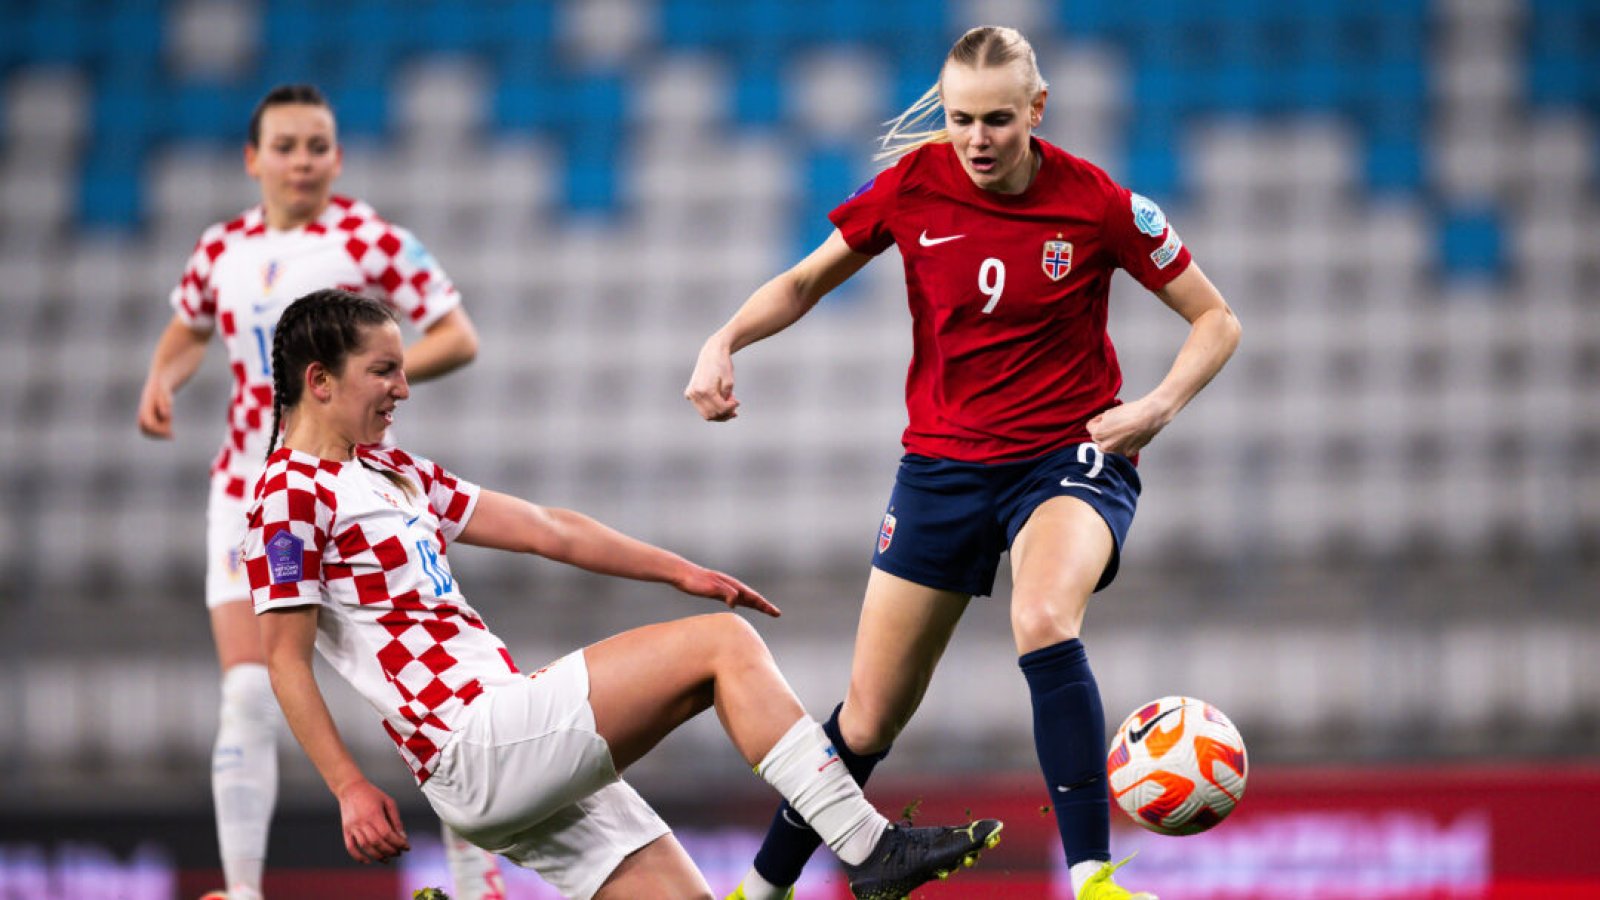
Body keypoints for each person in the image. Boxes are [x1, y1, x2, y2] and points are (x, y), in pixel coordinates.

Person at [687, 25, 1241, 900]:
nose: (976, 140)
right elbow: (802, 282)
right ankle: (762, 891)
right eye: (959, 119)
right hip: (942, 470)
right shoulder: (913, 186)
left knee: (1044, 615)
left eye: (996, 120)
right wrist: (723, 340)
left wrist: (1154, 409)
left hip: (1067, 455)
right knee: (867, 718)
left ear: (1037, 110)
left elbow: (1218, 320)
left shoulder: (1098, 204)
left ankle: (1094, 879)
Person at [243, 289, 1003, 900]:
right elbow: (284, 658)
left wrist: (677, 569)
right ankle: (869, 846)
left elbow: (547, 528)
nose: (403, 388)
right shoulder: (288, 494)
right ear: (320, 381)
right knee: (722, 645)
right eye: (384, 371)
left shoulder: (389, 470)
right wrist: (347, 786)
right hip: (474, 739)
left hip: (507, 744)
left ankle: (861, 850)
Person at [134, 85, 502, 900]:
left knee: (438, 681)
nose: (302, 161)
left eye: (318, 146)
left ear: (337, 157)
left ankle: (478, 885)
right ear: (253, 158)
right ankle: (244, 889)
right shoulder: (219, 247)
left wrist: (372, 378)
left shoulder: (369, 239)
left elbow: (457, 334)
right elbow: (189, 324)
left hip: (358, 489)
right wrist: (161, 377)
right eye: (287, 146)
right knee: (248, 690)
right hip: (247, 494)